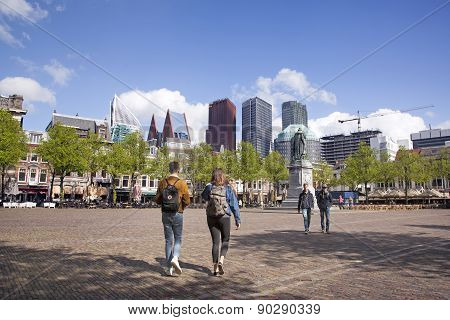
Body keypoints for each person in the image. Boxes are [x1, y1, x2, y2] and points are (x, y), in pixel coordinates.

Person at [202, 168, 241, 276]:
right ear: (222, 176)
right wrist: (238, 219)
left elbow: (204, 197)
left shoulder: (209, 186)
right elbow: (234, 204)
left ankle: (215, 269)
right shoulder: (228, 187)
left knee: (215, 242)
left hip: (211, 216)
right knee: (226, 240)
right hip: (224, 216)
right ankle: (221, 261)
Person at [155, 161, 190, 276]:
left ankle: (169, 268)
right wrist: (181, 207)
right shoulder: (182, 183)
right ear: (178, 170)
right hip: (178, 213)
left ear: (169, 170)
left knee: (168, 241)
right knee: (178, 238)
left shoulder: (162, 182)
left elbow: (158, 199)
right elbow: (187, 201)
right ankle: (175, 257)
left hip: (165, 213)